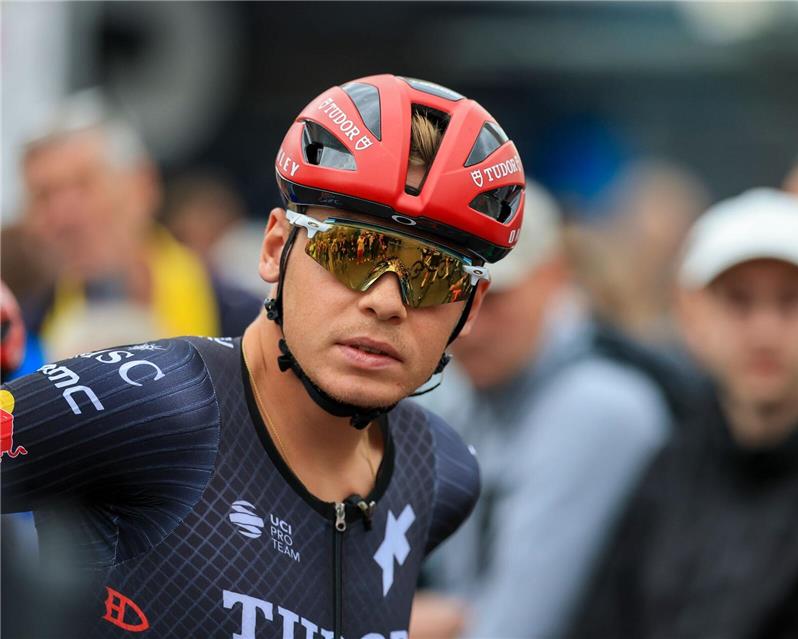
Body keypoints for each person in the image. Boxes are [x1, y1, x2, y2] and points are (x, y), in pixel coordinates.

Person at [0, 74, 526, 638]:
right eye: (349, 251)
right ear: (276, 249)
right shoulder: (151, 404)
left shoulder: (444, 472)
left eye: (432, 275)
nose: (385, 301)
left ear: (469, 310)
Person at [571, 189, 798, 639]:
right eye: (739, 301)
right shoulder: (677, 457)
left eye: (790, 302)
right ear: (692, 316)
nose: (765, 330)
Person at [409, 182, 669, 638]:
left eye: (497, 296)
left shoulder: (599, 407)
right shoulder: (459, 388)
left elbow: (512, 629)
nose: (471, 324)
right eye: (453, 290)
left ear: (553, 275)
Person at [17, 89, 261, 361]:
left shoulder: (245, 326)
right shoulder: (20, 339)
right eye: (44, 196)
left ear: (144, 186)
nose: (64, 216)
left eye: (84, 185)